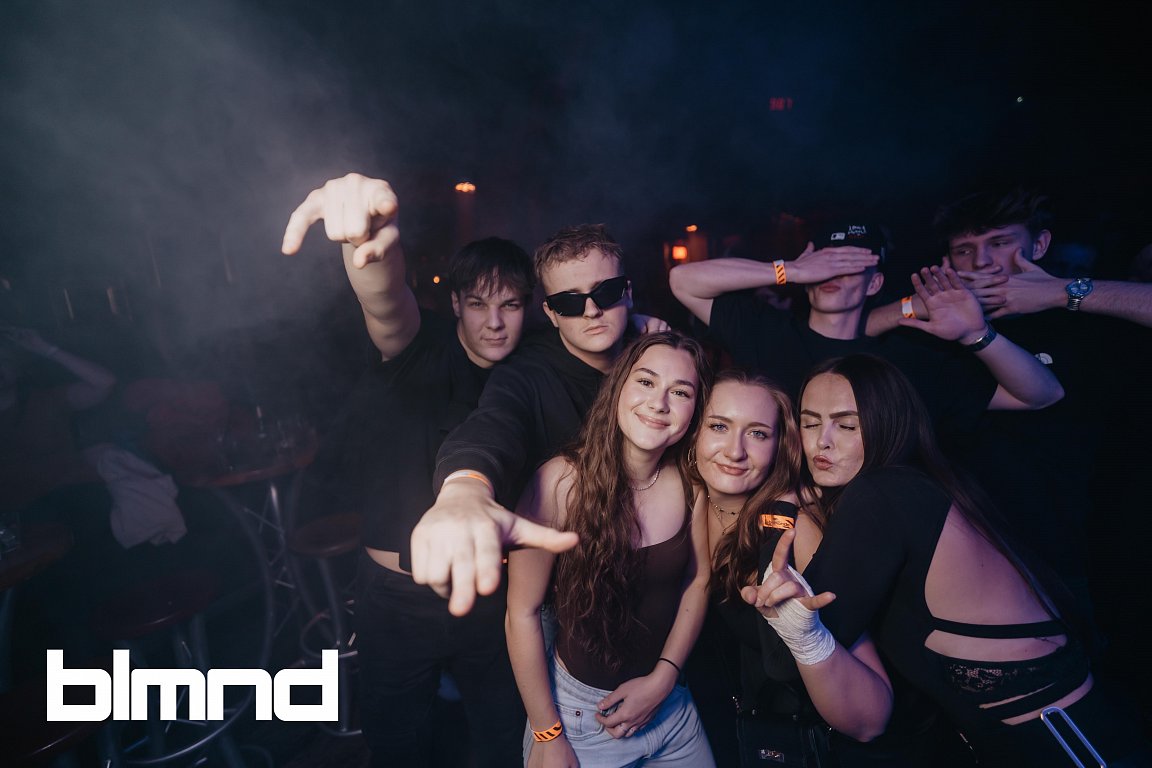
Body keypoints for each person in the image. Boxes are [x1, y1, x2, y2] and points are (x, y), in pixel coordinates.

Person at [741, 354, 1150, 767]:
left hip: (1075, 746)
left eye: (847, 425)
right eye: (810, 423)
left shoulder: (885, 495)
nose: (822, 442)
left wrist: (780, 508)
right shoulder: (915, 487)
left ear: (889, 424)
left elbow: (783, 659)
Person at [280, 173, 538, 767]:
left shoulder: (529, 373)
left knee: (503, 740)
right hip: (397, 598)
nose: (495, 322)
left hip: (492, 595)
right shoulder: (419, 347)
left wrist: (641, 327)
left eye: (509, 305)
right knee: (400, 749)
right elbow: (385, 301)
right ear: (456, 304)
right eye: (479, 304)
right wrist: (366, 244)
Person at [864, 187, 1151, 618]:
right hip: (957, 551)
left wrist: (1061, 292)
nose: (981, 261)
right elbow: (836, 339)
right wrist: (912, 306)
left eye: (999, 242)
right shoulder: (930, 335)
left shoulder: (1080, 323)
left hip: (1066, 545)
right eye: (964, 250)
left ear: (1040, 244)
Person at [505, 331, 716, 768]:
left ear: (695, 409)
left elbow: (698, 581)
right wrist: (547, 732)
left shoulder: (691, 485)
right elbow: (521, 613)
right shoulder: (560, 482)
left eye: (680, 392)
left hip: (671, 709)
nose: (659, 403)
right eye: (646, 382)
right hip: (580, 719)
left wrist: (664, 677)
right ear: (619, 386)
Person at [410, 223, 644, 615]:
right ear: (550, 313)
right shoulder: (524, 373)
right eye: (570, 302)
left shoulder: (653, 359)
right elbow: (493, 423)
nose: (592, 310)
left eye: (605, 292)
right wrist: (465, 488)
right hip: (565, 595)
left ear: (628, 292)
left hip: (651, 577)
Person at [668, 222, 1064, 438]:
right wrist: (793, 269)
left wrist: (974, 334)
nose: (833, 275)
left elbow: (1040, 396)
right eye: (828, 263)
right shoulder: (768, 332)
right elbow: (684, 280)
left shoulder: (906, 358)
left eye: (850, 265)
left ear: (874, 284)